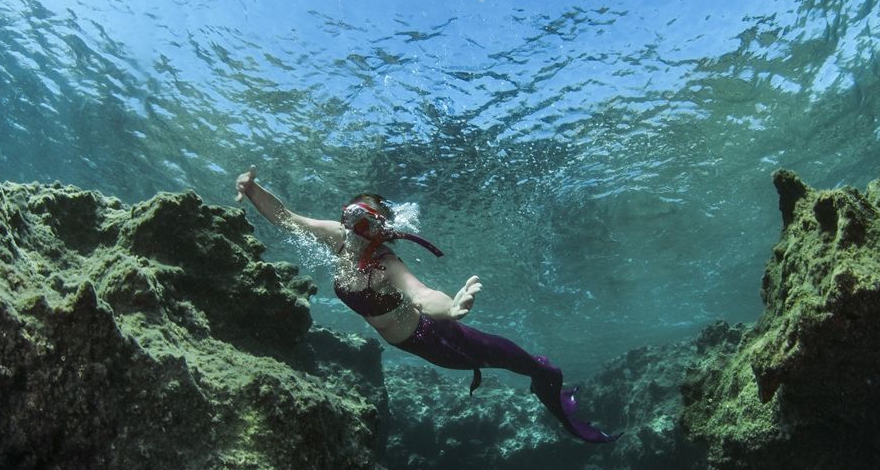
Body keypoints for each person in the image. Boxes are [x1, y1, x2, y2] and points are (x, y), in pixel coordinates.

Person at [235, 168, 620, 443]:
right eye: (353, 220)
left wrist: (450, 309)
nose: (357, 233)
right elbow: (287, 218)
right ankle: (544, 378)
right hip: (413, 340)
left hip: (438, 340)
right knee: (516, 362)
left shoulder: (386, 262)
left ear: (384, 230)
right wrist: (253, 190)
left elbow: (420, 294)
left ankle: (557, 397)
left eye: (369, 226)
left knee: (529, 367)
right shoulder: (335, 237)